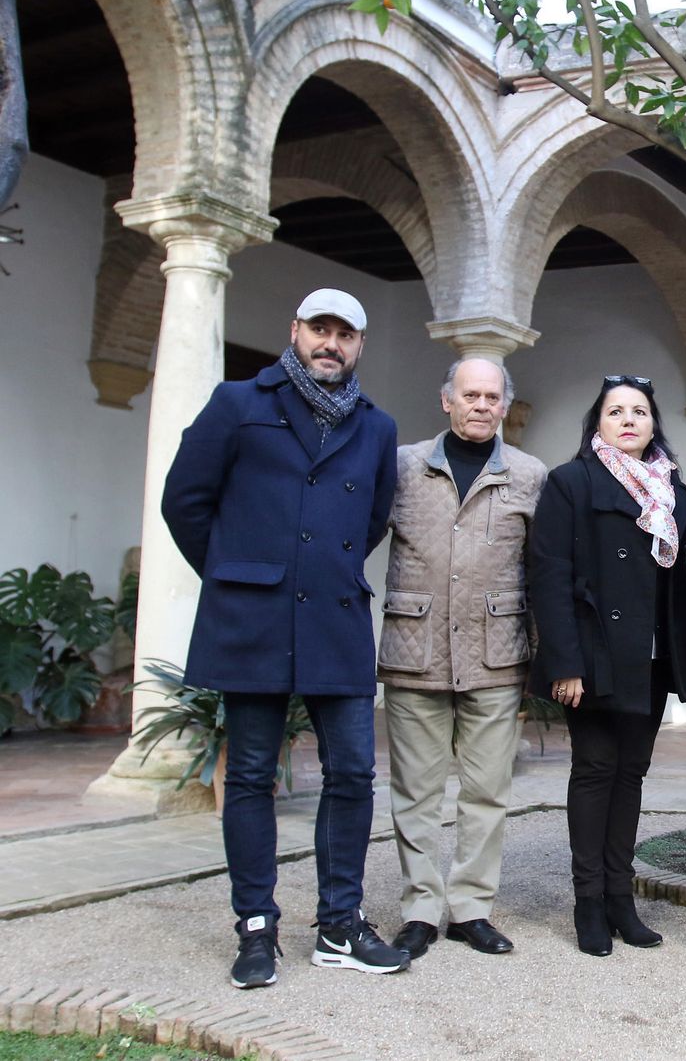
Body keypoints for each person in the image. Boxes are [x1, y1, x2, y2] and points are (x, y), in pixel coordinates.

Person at [161, 287, 404, 989]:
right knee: (249, 774)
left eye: (346, 333)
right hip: (254, 619)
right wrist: (236, 570)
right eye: (319, 328)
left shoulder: (377, 426)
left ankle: (339, 922)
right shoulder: (238, 402)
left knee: (354, 770)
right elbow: (185, 499)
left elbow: (375, 518)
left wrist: (322, 566)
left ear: (359, 344)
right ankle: (256, 927)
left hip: (334, 617)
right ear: (294, 330)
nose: (332, 342)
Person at [527, 375, 686, 958]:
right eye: (615, 411)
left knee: (631, 772)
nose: (628, 420)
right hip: (595, 656)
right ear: (597, 423)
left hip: (652, 656)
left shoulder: (676, 492)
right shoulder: (571, 482)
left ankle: (620, 898)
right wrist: (564, 662)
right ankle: (588, 902)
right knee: (596, 768)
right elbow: (549, 577)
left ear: (654, 423)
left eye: (640, 411)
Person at [378, 358, 547, 961]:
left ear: (505, 406)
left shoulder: (529, 475)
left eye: (491, 396)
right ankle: (421, 909)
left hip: (495, 657)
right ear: (446, 400)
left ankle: (471, 908)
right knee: (415, 792)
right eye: (469, 394)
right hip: (413, 651)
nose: (480, 405)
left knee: (486, 791)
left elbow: (543, 568)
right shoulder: (401, 466)